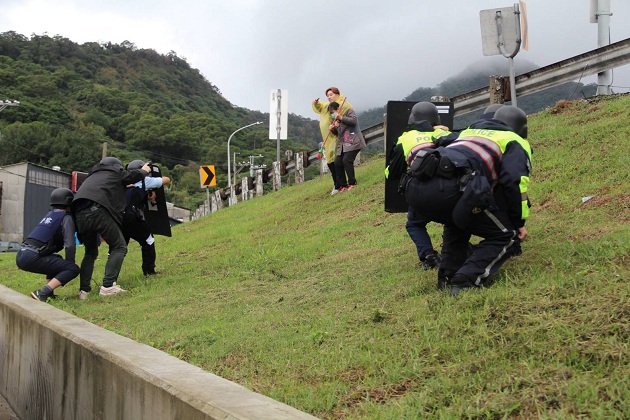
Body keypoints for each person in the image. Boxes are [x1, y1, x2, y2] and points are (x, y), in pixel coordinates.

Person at [405, 105, 532, 294]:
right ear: (521, 129)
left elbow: (438, 139)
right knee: (506, 235)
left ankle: (447, 277)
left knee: (458, 223)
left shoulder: (467, 132)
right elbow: (514, 182)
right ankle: (465, 280)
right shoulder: (514, 140)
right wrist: (518, 221)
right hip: (452, 189)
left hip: (415, 188)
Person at [385, 102, 451, 269]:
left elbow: (392, 173)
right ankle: (453, 251)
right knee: (453, 220)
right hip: (453, 188)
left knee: (414, 224)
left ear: (413, 118)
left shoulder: (406, 138)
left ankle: (429, 256)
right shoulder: (446, 133)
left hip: (423, 191)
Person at [72, 156, 150, 298]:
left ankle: (84, 291)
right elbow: (132, 176)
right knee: (119, 246)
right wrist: (143, 171)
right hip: (98, 211)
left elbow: (107, 188)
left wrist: (123, 186)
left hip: (79, 213)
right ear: (117, 166)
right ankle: (108, 286)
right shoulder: (114, 172)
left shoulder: (94, 176)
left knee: (90, 252)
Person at [16, 188, 80, 302]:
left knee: (57, 259)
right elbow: (70, 244)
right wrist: (70, 264)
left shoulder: (50, 216)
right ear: (69, 203)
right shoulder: (66, 218)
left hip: (22, 254)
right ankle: (42, 292)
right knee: (73, 269)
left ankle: (49, 294)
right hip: (32, 256)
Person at [122, 160, 171, 276]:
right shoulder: (144, 180)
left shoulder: (120, 182)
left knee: (118, 248)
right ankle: (149, 271)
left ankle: (110, 279)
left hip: (119, 219)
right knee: (149, 241)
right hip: (133, 219)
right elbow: (166, 180)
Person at [311, 87, 352, 195]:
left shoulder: (343, 104)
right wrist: (316, 103)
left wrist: (335, 126)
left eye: (331, 95)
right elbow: (319, 107)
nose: (329, 97)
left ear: (337, 94)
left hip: (336, 136)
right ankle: (337, 183)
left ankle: (341, 184)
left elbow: (344, 118)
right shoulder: (326, 106)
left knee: (336, 160)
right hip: (328, 139)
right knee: (330, 161)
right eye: (327, 95)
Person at [328, 101, 366, 192]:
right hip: (343, 144)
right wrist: (333, 129)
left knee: (347, 160)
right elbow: (339, 134)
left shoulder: (349, 111)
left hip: (354, 141)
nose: (332, 115)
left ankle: (352, 183)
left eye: (333, 112)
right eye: (331, 113)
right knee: (337, 162)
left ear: (338, 109)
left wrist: (341, 117)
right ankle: (343, 185)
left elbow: (353, 121)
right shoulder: (336, 120)